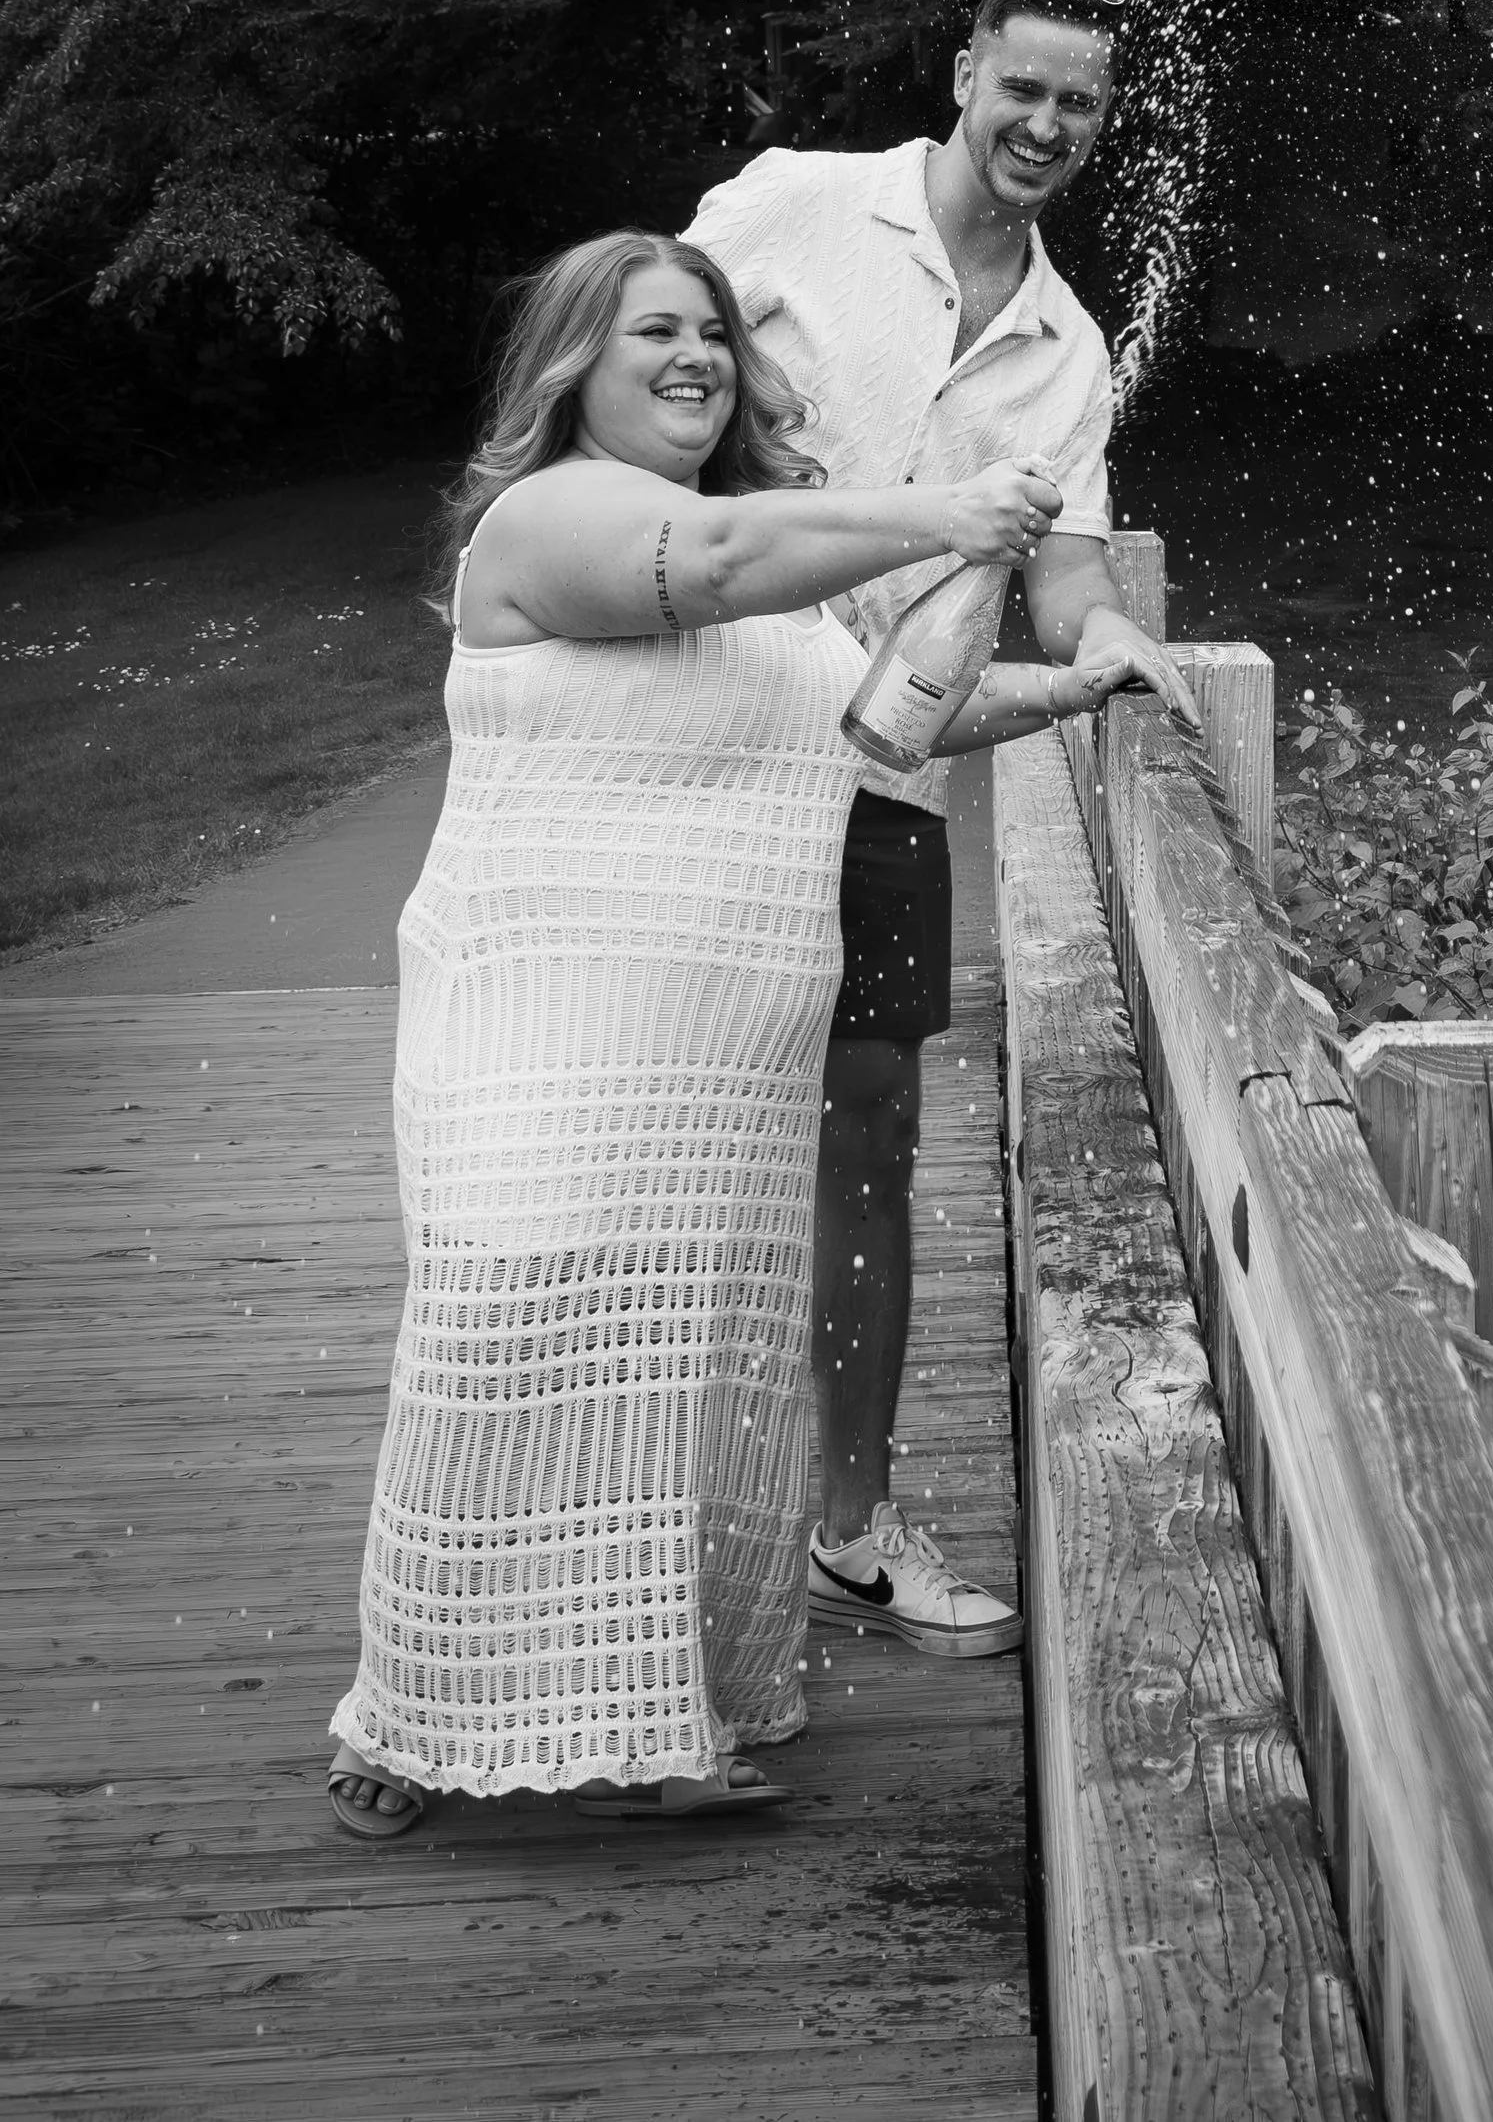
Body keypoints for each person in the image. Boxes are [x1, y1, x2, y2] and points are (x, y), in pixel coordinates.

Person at [327, 230, 1160, 1840]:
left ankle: (649, 1717)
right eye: (656, 332)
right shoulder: (554, 513)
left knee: (687, 1377)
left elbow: (884, 718)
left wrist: (1075, 686)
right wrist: (949, 509)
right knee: (510, 1343)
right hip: (552, 1026)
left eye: (712, 329)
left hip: (717, 1065)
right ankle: (408, 1714)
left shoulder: (774, 572)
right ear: (578, 362)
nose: (696, 356)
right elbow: (703, 566)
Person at [688, 0, 1197, 1659]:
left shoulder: (1066, 347)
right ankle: (631, 1523)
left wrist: (1112, 628)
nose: (1046, 123)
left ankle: (849, 1524)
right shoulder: (796, 209)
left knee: (871, 1141)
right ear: (967, 72)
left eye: (1081, 102)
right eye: (1023, 85)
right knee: (669, 1141)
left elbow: (1060, 572)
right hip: (694, 747)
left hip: (878, 777)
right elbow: (631, 366)